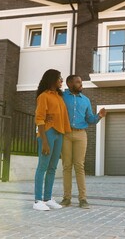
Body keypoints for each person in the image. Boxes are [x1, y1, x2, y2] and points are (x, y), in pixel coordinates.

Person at [59, 75, 106, 208]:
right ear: (69, 83)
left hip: (81, 135)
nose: (81, 85)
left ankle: (83, 199)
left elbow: (90, 119)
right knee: (67, 166)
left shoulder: (85, 100)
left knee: (79, 166)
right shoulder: (61, 97)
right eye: (78, 82)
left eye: (81, 82)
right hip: (65, 135)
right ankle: (66, 198)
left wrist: (99, 116)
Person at [33, 69, 71, 211]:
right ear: (52, 79)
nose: (62, 80)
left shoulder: (59, 97)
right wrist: (44, 141)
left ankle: (47, 198)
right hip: (47, 133)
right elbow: (39, 118)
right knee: (42, 167)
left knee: (53, 168)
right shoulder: (43, 96)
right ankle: (37, 200)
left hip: (59, 133)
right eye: (59, 78)